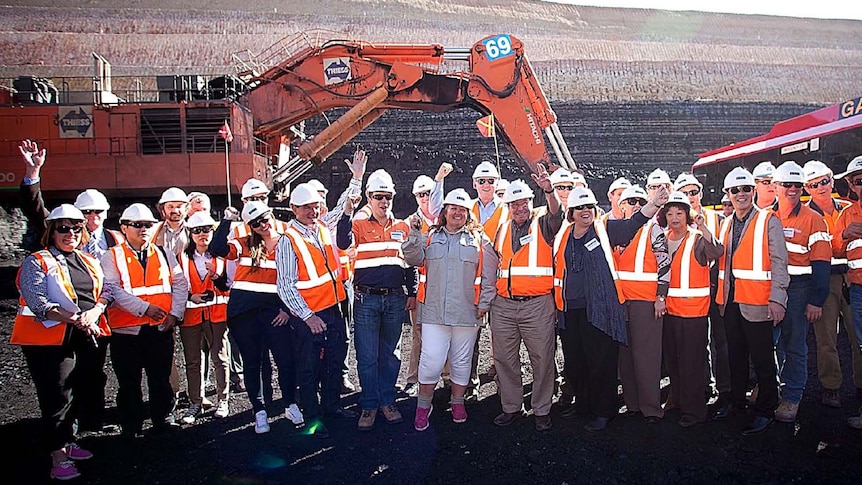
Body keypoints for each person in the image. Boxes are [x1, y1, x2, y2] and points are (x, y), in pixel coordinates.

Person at [18, 140, 121, 433]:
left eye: (97, 213)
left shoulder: (116, 239)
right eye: (86, 214)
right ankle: (68, 433)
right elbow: (35, 209)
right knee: (65, 380)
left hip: (102, 314)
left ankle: (92, 421)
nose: (91, 219)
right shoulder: (64, 233)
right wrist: (32, 173)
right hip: (62, 322)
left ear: (105, 213)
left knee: (94, 371)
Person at [553, 186, 668, 432]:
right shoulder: (564, 234)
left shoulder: (605, 229)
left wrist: (654, 204)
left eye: (589, 207)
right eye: (580, 208)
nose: (586, 211)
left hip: (599, 311)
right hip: (569, 310)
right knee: (576, 362)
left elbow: (633, 224)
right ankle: (583, 405)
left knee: (600, 362)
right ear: (571, 212)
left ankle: (604, 411)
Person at [12, 204, 112, 480]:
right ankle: (57, 457)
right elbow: (38, 301)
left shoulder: (88, 260)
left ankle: (68, 442)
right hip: (47, 341)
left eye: (76, 228)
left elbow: (105, 291)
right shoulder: (37, 261)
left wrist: (94, 312)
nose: (70, 234)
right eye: (63, 229)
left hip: (81, 335)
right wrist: (75, 318)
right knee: (56, 397)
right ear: (51, 232)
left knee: (77, 391)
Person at [402, 188, 498, 431]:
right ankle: (424, 405)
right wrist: (414, 232)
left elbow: (489, 275)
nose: (458, 213)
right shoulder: (430, 237)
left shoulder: (479, 240)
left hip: (467, 312)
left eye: (462, 210)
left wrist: (484, 303)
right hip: (434, 312)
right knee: (431, 360)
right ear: (444, 212)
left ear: (468, 214)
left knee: (462, 361)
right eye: (453, 208)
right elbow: (412, 258)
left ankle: (457, 402)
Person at [209, 201, 304, 434]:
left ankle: (290, 403)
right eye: (255, 223)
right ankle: (260, 410)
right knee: (253, 362)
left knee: (285, 359)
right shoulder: (245, 244)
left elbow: (296, 279)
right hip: (244, 313)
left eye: (264, 219)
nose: (262, 225)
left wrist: (286, 309)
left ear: (271, 215)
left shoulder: (288, 241)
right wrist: (227, 220)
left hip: (275, 312)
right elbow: (217, 247)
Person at [336, 172, 418, 431]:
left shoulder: (402, 227)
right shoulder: (359, 225)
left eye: (388, 197)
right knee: (367, 355)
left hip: (394, 299)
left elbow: (408, 263)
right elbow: (341, 241)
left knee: (391, 355)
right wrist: (348, 213)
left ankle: (387, 401)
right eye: (378, 196)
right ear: (369, 198)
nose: (384, 201)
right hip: (366, 299)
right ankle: (369, 404)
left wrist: (412, 292)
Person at [100, 203, 189, 438]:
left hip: (160, 328)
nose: (144, 229)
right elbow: (113, 290)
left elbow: (180, 284)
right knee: (129, 381)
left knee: (160, 378)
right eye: (137, 225)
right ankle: (131, 424)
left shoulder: (163, 253)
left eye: (148, 225)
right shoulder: (112, 256)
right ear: (124, 227)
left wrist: (175, 315)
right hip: (126, 331)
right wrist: (145, 309)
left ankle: (164, 418)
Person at [713, 167, 788, 436]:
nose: (741, 194)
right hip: (730, 302)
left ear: (753, 191)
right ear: (728, 194)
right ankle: (737, 402)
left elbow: (780, 262)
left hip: (757, 302)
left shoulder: (769, 220)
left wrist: (778, 299)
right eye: (735, 190)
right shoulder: (726, 223)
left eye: (746, 189)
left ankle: (767, 408)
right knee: (736, 357)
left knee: (763, 359)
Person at [277, 183, 353, 438]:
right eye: (306, 208)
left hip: (333, 309)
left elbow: (342, 205)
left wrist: (355, 179)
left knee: (333, 361)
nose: (313, 211)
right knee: (308, 368)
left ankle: (332, 408)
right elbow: (285, 286)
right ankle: (312, 417)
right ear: (293, 209)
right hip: (309, 316)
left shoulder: (320, 227)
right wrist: (308, 317)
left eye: (315, 206)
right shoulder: (288, 240)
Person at [490, 167, 562, 432]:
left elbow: (557, 213)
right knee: (505, 359)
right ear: (508, 206)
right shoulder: (501, 229)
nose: (520, 208)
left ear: (532, 202)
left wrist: (549, 190)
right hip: (504, 305)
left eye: (524, 202)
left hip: (537, 304)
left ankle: (542, 409)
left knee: (542, 357)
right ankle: (511, 406)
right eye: (515, 203)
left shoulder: (544, 222)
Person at [770, 161, 831, 423]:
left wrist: (816, 301)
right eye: (787, 184)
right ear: (775, 186)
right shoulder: (765, 216)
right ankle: (770, 386)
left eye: (797, 185)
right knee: (769, 342)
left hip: (798, 290)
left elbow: (821, 265)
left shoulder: (814, 220)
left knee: (794, 344)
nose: (792, 189)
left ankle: (792, 396)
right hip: (771, 289)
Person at [659, 192, 724, 427]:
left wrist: (704, 227)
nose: (675, 218)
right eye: (670, 213)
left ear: (688, 215)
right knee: (673, 361)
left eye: (679, 213)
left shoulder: (697, 239)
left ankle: (694, 412)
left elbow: (717, 251)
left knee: (691, 364)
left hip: (693, 314)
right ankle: (676, 400)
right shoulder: (662, 239)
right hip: (669, 312)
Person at [308, 149, 369, 394]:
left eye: (322, 198)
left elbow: (347, 205)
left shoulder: (327, 223)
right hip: (311, 293)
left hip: (340, 286)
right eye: (315, 199)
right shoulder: (294, 231)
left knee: (341, 334)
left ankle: (339, 376)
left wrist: (357, 178)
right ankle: (313, 382)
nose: (319, 203)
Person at [803, 160, 862, 407]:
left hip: (850, 278)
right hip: (823, 279)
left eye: (825, 181)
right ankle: (831, 386)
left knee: (856, 336)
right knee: (826, 337)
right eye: (814, 184)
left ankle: (859, 385)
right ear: (807, 187)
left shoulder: (849, 207)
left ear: (832, 179)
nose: (821, 187)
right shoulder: (805, 214)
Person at [674, 172, 730, 413]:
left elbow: (721, 252)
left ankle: (726, 389)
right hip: (693, 293)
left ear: (701, 193)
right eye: (685, 193)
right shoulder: (677, 224)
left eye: (693, 192)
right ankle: (705, 385)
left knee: (722, 341)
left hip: (716, 288)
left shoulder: (717, 219)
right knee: (699, 343)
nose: (691, 197)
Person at [615, 184, 670, 424]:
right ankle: (633, 404)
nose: (636, 205)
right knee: (625, 357)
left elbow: (664, 264)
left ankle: (651, 408)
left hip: (645, 303)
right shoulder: (614, 231)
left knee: (646, 356)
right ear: (621, 207)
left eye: (639, 201)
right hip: (621, 303)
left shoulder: (652, 228)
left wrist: (660, 297)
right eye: (630, 202)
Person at [178, 211, 231, 424]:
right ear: (190, 234)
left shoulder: (222, 256)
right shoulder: (181, 258)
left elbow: (229, 285)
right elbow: (178, 286)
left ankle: (223, 400)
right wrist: (192, 296)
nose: (202, 235)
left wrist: (217, 277)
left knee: (220, 358)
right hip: (191, 315)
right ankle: (195, 403)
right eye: (197, 231)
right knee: (193, 361)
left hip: (217, 314)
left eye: (207, 230)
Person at [404, 163, 453, 397]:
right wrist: (412, 293)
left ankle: (445, 377)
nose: (424, 198)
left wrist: (439, 181)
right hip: (422, 290)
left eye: (428, 193)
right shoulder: (411, 223)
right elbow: (407, 260)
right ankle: (414, 378)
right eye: (421, 194)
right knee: (419, 336)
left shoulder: (442, 221)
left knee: (446, 332)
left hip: (443, 289)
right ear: (415, 196)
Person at [832, 155, 862, 429]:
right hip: (858, 288)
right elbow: (837, 251)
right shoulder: (846, 214)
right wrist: (844, 236)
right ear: (852, 186)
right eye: (858, 181)